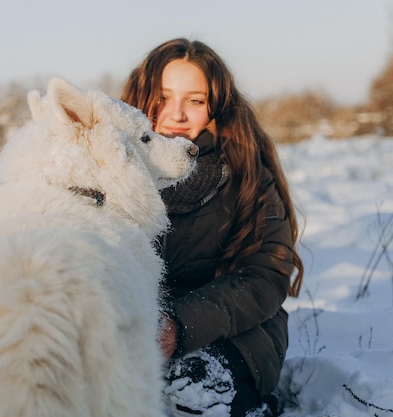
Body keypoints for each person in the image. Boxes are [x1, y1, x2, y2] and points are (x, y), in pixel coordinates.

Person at [121, 38, 304, 417]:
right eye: (162, 97)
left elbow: (265, 276)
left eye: (195, 100)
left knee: (188, 397)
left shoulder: (246, 174)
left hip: (232, 330)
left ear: (216, 108)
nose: (176, 115)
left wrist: (179, 325)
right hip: (133, 328)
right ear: (141, 98)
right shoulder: (111, 173)